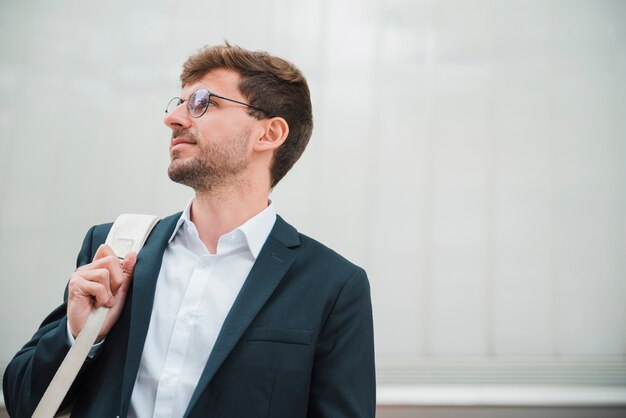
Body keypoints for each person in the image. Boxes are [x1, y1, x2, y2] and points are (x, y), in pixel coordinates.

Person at [2, 43, 376, 417]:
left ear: (269, 134)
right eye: (178, 103)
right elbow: (23, 402)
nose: (174, 118)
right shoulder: (112, 248)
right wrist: (80, 337)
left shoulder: (333, 287)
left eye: (202, 102)